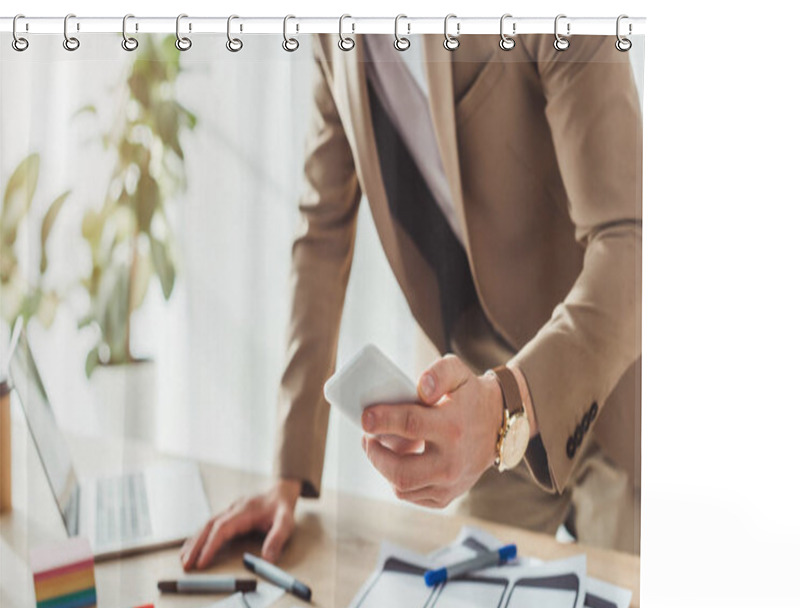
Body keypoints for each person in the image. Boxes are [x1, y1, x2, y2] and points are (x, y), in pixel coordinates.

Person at [180, 32, 642, 571]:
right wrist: (289, 473)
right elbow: (321, 236)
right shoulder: (334, 38)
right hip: (483, 395)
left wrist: (504, 404)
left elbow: (631, 245)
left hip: (618, 379)